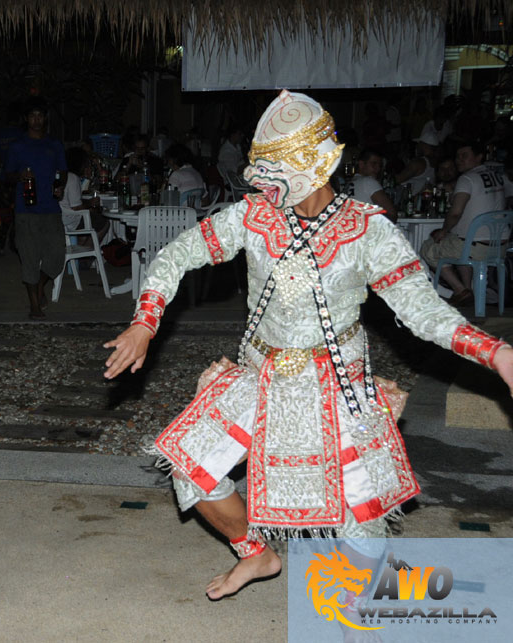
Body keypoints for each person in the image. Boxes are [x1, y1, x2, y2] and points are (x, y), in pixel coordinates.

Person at [103, 90, 513, 601]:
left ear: (314, 167)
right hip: (261, 376)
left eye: (276, 173)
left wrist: (496, 353)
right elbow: (173, 256)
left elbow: (423, 312)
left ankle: (359, 615)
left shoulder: (368, 230)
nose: (263, 185)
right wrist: (145, 321)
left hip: (336, 385)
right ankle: (257, 555)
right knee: (191, 470)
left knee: (357, 517)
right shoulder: (251, 217)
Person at [420, 141, 507, 305]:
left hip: (478, 246)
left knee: (428, 248)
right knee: (459, 241)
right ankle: (469, 291)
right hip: (500, 246)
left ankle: (459, 289)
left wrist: (443, 230)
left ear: (479, 157)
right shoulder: (497, 176)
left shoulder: (467, 178)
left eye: (464, 156)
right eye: (458, 156)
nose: (459, 160)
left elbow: (455, 212)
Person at [4, 97, 67, 319]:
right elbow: (7, 176)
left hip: (50, 208)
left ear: (45, 119)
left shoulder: (54, 145)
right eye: (33, 116)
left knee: (57, 256)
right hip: (26, 210)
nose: (36, 120)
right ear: (27, 119)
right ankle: (34, 305)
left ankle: (40, 287)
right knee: (29, 257)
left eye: (40, 116)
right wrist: (19, 176)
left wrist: (60, 187)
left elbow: (62, 172)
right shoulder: (18, 146)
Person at [349, 148, 397, 221]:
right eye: (374, 164)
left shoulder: (348, 183)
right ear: (361, 164)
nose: (377, 169)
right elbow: (392, 214)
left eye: (380, 165)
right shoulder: (368, 181)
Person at [396, 129, 438, 194]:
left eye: (418, 144)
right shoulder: (437, 162)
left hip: (407, 198)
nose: (417, 146)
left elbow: (397, 180)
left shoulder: (418, 163)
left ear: (423, 145)